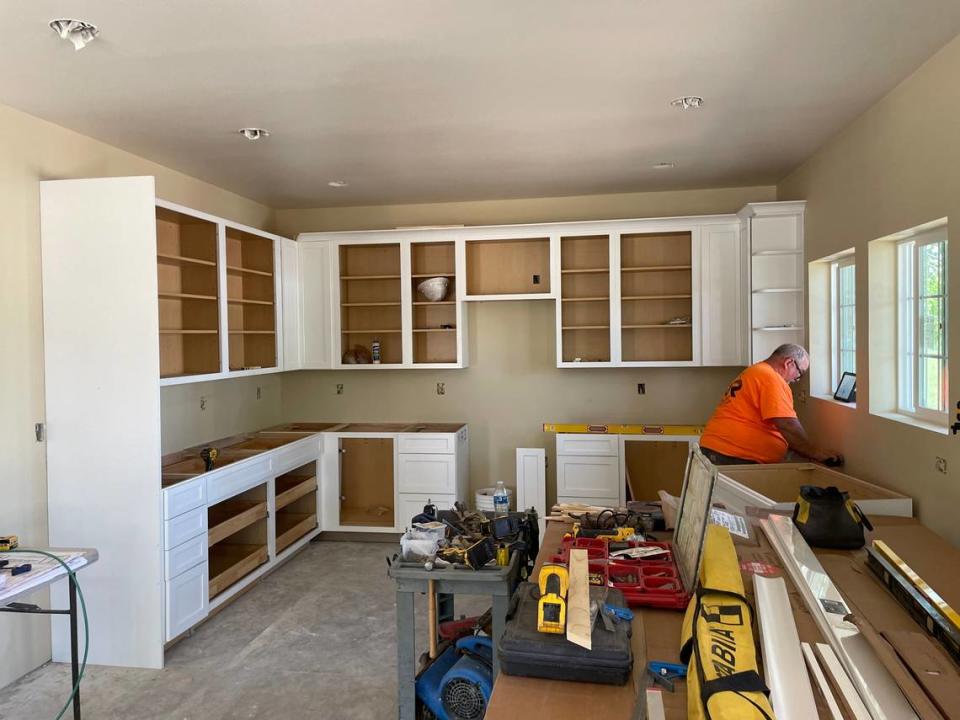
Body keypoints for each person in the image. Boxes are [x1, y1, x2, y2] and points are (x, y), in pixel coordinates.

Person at [699, 344, 842, 465]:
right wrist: (815, 453)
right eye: (800, 373)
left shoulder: (755, 371)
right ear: (789, 363)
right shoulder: (770, 379)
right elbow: (787, 424)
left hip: (721, 450)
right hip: (734, 454)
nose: (796, 379)